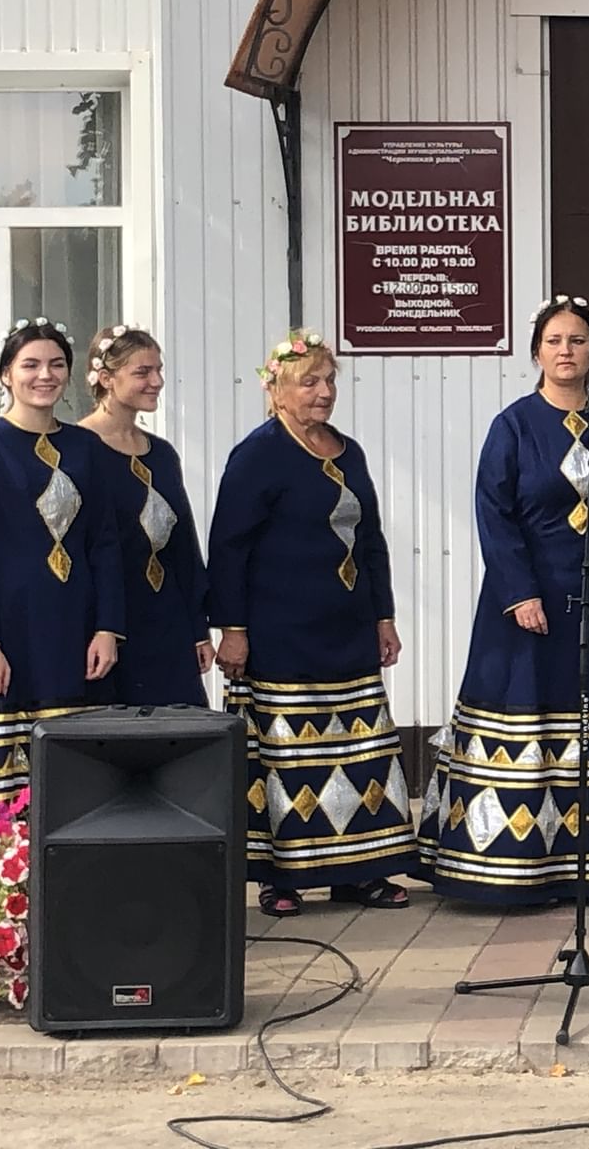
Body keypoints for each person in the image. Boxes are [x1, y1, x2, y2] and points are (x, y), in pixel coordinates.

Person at [417, 295, 589, 904]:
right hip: (530, 604)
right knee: (532, 717)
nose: (566, 352)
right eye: (555, 341)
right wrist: (518, 593)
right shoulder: (513, 425)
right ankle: (514, 868)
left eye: (578, 341)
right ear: (536, 351)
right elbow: (495, 514)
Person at [207, 329, 415, 916]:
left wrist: (384, 615)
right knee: (287, 756)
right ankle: (284, 878)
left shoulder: (348, 452)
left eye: (329, 382)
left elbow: (369, 540)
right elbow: (228, 547)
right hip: (280, 631)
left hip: (346, 628)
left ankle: (361, 871)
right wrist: (234, 628)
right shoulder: (258, 455)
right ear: (276, 390)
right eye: (309, 383)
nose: (323, 393)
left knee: (357, 750)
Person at [0, 319, 125, 808]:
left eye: (57, 364)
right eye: (31, 365)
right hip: (12, 637)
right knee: (5, 782)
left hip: (76, 633)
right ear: (6, 375)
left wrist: (108, 627)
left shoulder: (85, 447)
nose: (45, 375)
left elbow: (104, 543)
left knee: (82, 781)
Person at [76, 324, 213, 707]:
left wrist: (197, 628)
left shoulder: (162, 454)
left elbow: (183, 545)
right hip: (108, 622)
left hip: (166, 618)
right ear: (106, 378)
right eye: (142, 372)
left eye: (158, 370)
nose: (156, 381)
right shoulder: (78, 450)